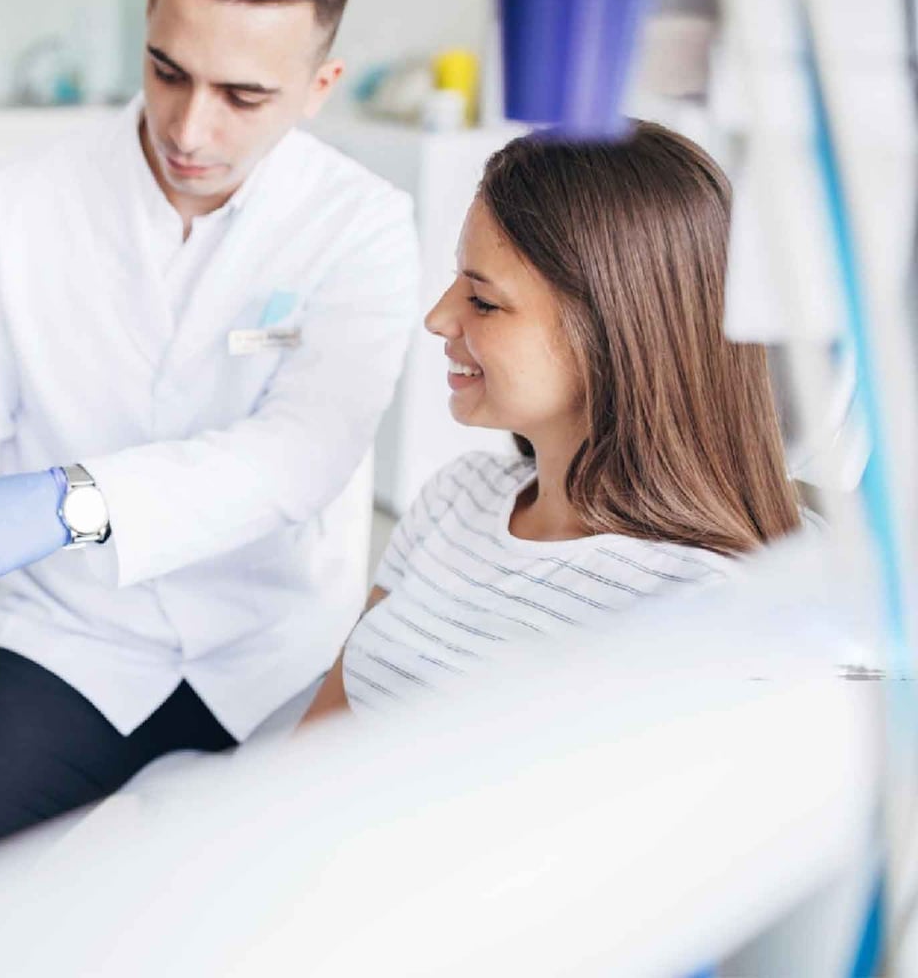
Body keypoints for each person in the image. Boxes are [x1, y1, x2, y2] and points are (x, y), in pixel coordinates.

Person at [0, 0, 420, 899]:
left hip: (271, 646)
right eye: (167, 70)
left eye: (243, 95)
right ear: (146, 24)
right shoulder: (16, 204)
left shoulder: (360, 226)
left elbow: (300, 454)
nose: (190, 128)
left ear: (320, 86)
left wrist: (63, 502)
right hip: (74, 634)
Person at [299, 122, 804, 726]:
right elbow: (316, 743)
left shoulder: (700, 611)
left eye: (483, 301)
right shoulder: (455, 497)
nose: (437, 317)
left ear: (612, 335)